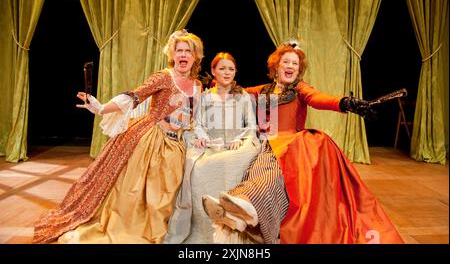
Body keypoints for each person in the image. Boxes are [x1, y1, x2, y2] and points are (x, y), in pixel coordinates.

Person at [202, 42, 404, 244]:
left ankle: (245, 206)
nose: (290, 66)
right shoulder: (262, 90)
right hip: (267, 145)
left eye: (295, 64)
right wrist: (215, 83)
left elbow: (318, 98)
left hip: (291, 146)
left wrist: (344, 102)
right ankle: (237, 213)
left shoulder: (299, 89)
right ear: (276, 67)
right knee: (257, 171)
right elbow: (237, 92)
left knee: (272, 174)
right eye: (286, 62)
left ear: (298, 70)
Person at [32, 29, 204, 244]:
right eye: (179, 50)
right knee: (131, 193)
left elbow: (193, 118)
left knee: (164, 197)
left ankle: (157, 230)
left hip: (175, 146)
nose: (183, 55)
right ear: (172, 53)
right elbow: (135, 96)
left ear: (196, 56)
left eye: (188, 51)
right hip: (150, 140)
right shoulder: (164, 77)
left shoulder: (198, 85)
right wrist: (101, 108)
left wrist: (198, 135)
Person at [163, 52, 261, 244]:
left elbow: (251, 126)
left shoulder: (243, 97)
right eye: (222, 68)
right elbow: (198, 124)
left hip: (236, 144)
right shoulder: (206, 97)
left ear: (236, 72)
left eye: (231, 69)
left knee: (236, 160)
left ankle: (234, 218)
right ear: (214, 71)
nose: (227, 72)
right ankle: (206, 227)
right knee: (197, 167)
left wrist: (240, 140)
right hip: (211, 144)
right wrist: (202, 138)